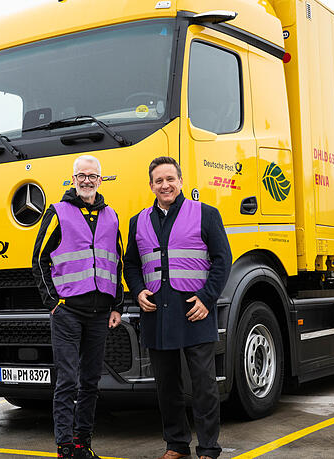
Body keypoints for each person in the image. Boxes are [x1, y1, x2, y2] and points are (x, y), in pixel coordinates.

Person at [123, 156, 231, 459]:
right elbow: (131, 263)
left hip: (194, 311)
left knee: (204, 386)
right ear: (151, 186)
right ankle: (176, 445)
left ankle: (209, 448)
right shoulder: (138, 221)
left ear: (181, 182)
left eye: (170, 179)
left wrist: (207, 298)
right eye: (159, 180)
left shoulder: (206, 214)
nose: (165, 185)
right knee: (167, 386)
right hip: (157, 314)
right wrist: (137, 290)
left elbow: (223, 260)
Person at [32, 154, 123, 459]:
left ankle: (83, 443)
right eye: (81, 175)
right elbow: (39, 260)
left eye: (92, 176)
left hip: (100, 313)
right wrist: (53, 304)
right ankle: (65, 447)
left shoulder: (111, 216)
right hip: (68, 312)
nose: (87, 180)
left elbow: (117, 262)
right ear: (73, 179)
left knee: (91, 382)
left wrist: (117, 306)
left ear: (101, 179)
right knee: (68, 380)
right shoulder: (57, 212)